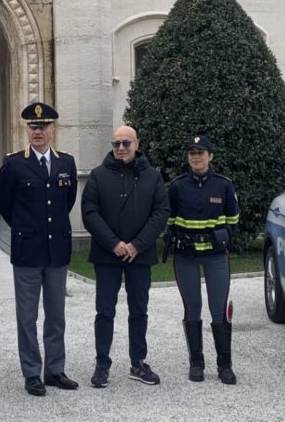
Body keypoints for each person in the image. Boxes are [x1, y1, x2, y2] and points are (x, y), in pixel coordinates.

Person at [0, 102, 80, 396]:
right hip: (27, 250)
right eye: (33, 127)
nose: (38, 132)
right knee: (27, 315)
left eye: (43, 127)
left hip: (57, 249)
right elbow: (5, 205)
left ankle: (55, 370)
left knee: (56, 314)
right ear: (27, 130)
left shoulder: (66, 163)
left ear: (53, 130)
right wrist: (25, 227)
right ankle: (32, 372)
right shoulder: (13, 164)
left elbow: (67, 201)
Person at [81, 125, 170, 388]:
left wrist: (137, 245)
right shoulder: (98, 176)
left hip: (139, 256)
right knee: (105, 312)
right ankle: (102, 365)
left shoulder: (153, 177)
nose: (120, 148)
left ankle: (138, 362)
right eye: (116, 143)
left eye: (126, 143)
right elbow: (90, 213)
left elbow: (161, 212)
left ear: (136, 144)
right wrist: (115, 244)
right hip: (107, 255)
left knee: (139, 311)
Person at [165, 136, 240, 385]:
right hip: (186, 256)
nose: (195, 157)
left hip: (215, 256)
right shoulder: (177, 186)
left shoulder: (223, 186)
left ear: (210, 156)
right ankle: (196, 363)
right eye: (191, 153)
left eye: (200, 152)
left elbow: (233, 221)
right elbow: (170, 221)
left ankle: (224, 365)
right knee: (192, 308)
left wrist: (220, 237)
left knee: (219, 309)